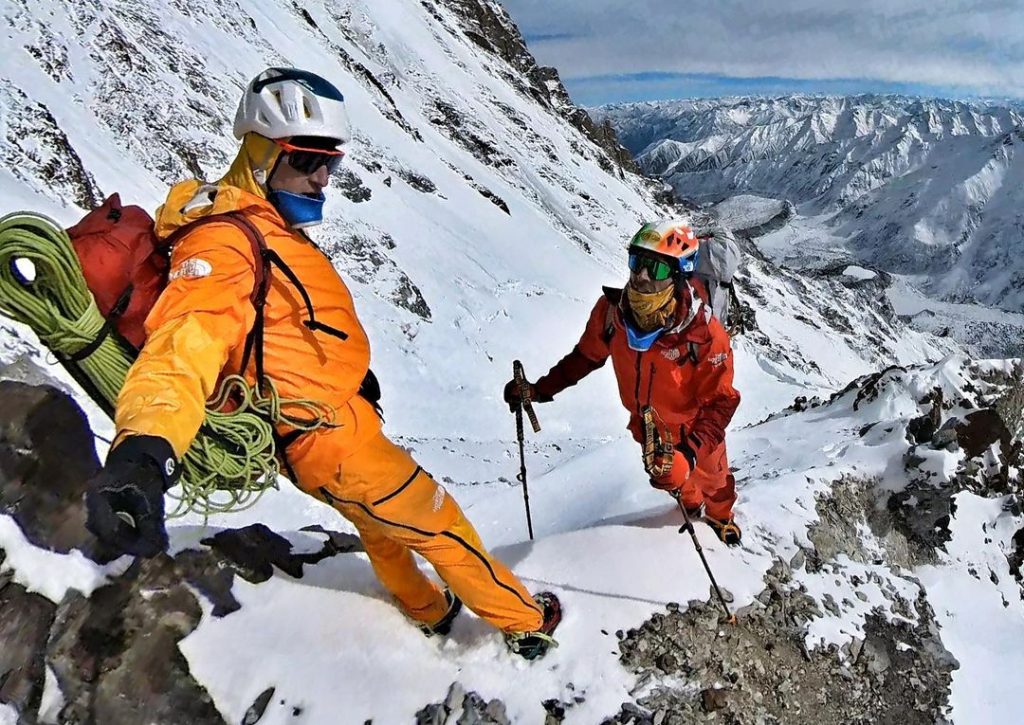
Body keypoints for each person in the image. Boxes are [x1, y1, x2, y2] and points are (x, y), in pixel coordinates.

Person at [84, 67, 560, 659]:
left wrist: (348, 374)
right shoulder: (224, 243)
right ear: (261, 154)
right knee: (440, 523)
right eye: (307, 159)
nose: (322, 177)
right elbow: (185, 345)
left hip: (333, 423)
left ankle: (429, 610)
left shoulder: (261, 223)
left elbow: (284, 325)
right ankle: (526, 623)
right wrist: (143, 452)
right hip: (329, 439)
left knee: (379, 525)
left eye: (330, 161)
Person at [505, 220, 743, 544]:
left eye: (657, 268)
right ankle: (689, 506)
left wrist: (688, 455)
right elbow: (585, 357)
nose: (642, 276)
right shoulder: (611, 313)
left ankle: (721, 516)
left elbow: (722, 401)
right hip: (647, 427)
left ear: (678, 276)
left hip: (695, 431)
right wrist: (539, 390)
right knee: (676, 483)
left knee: (713, 479)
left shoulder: (704, 335)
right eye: (637, 262)